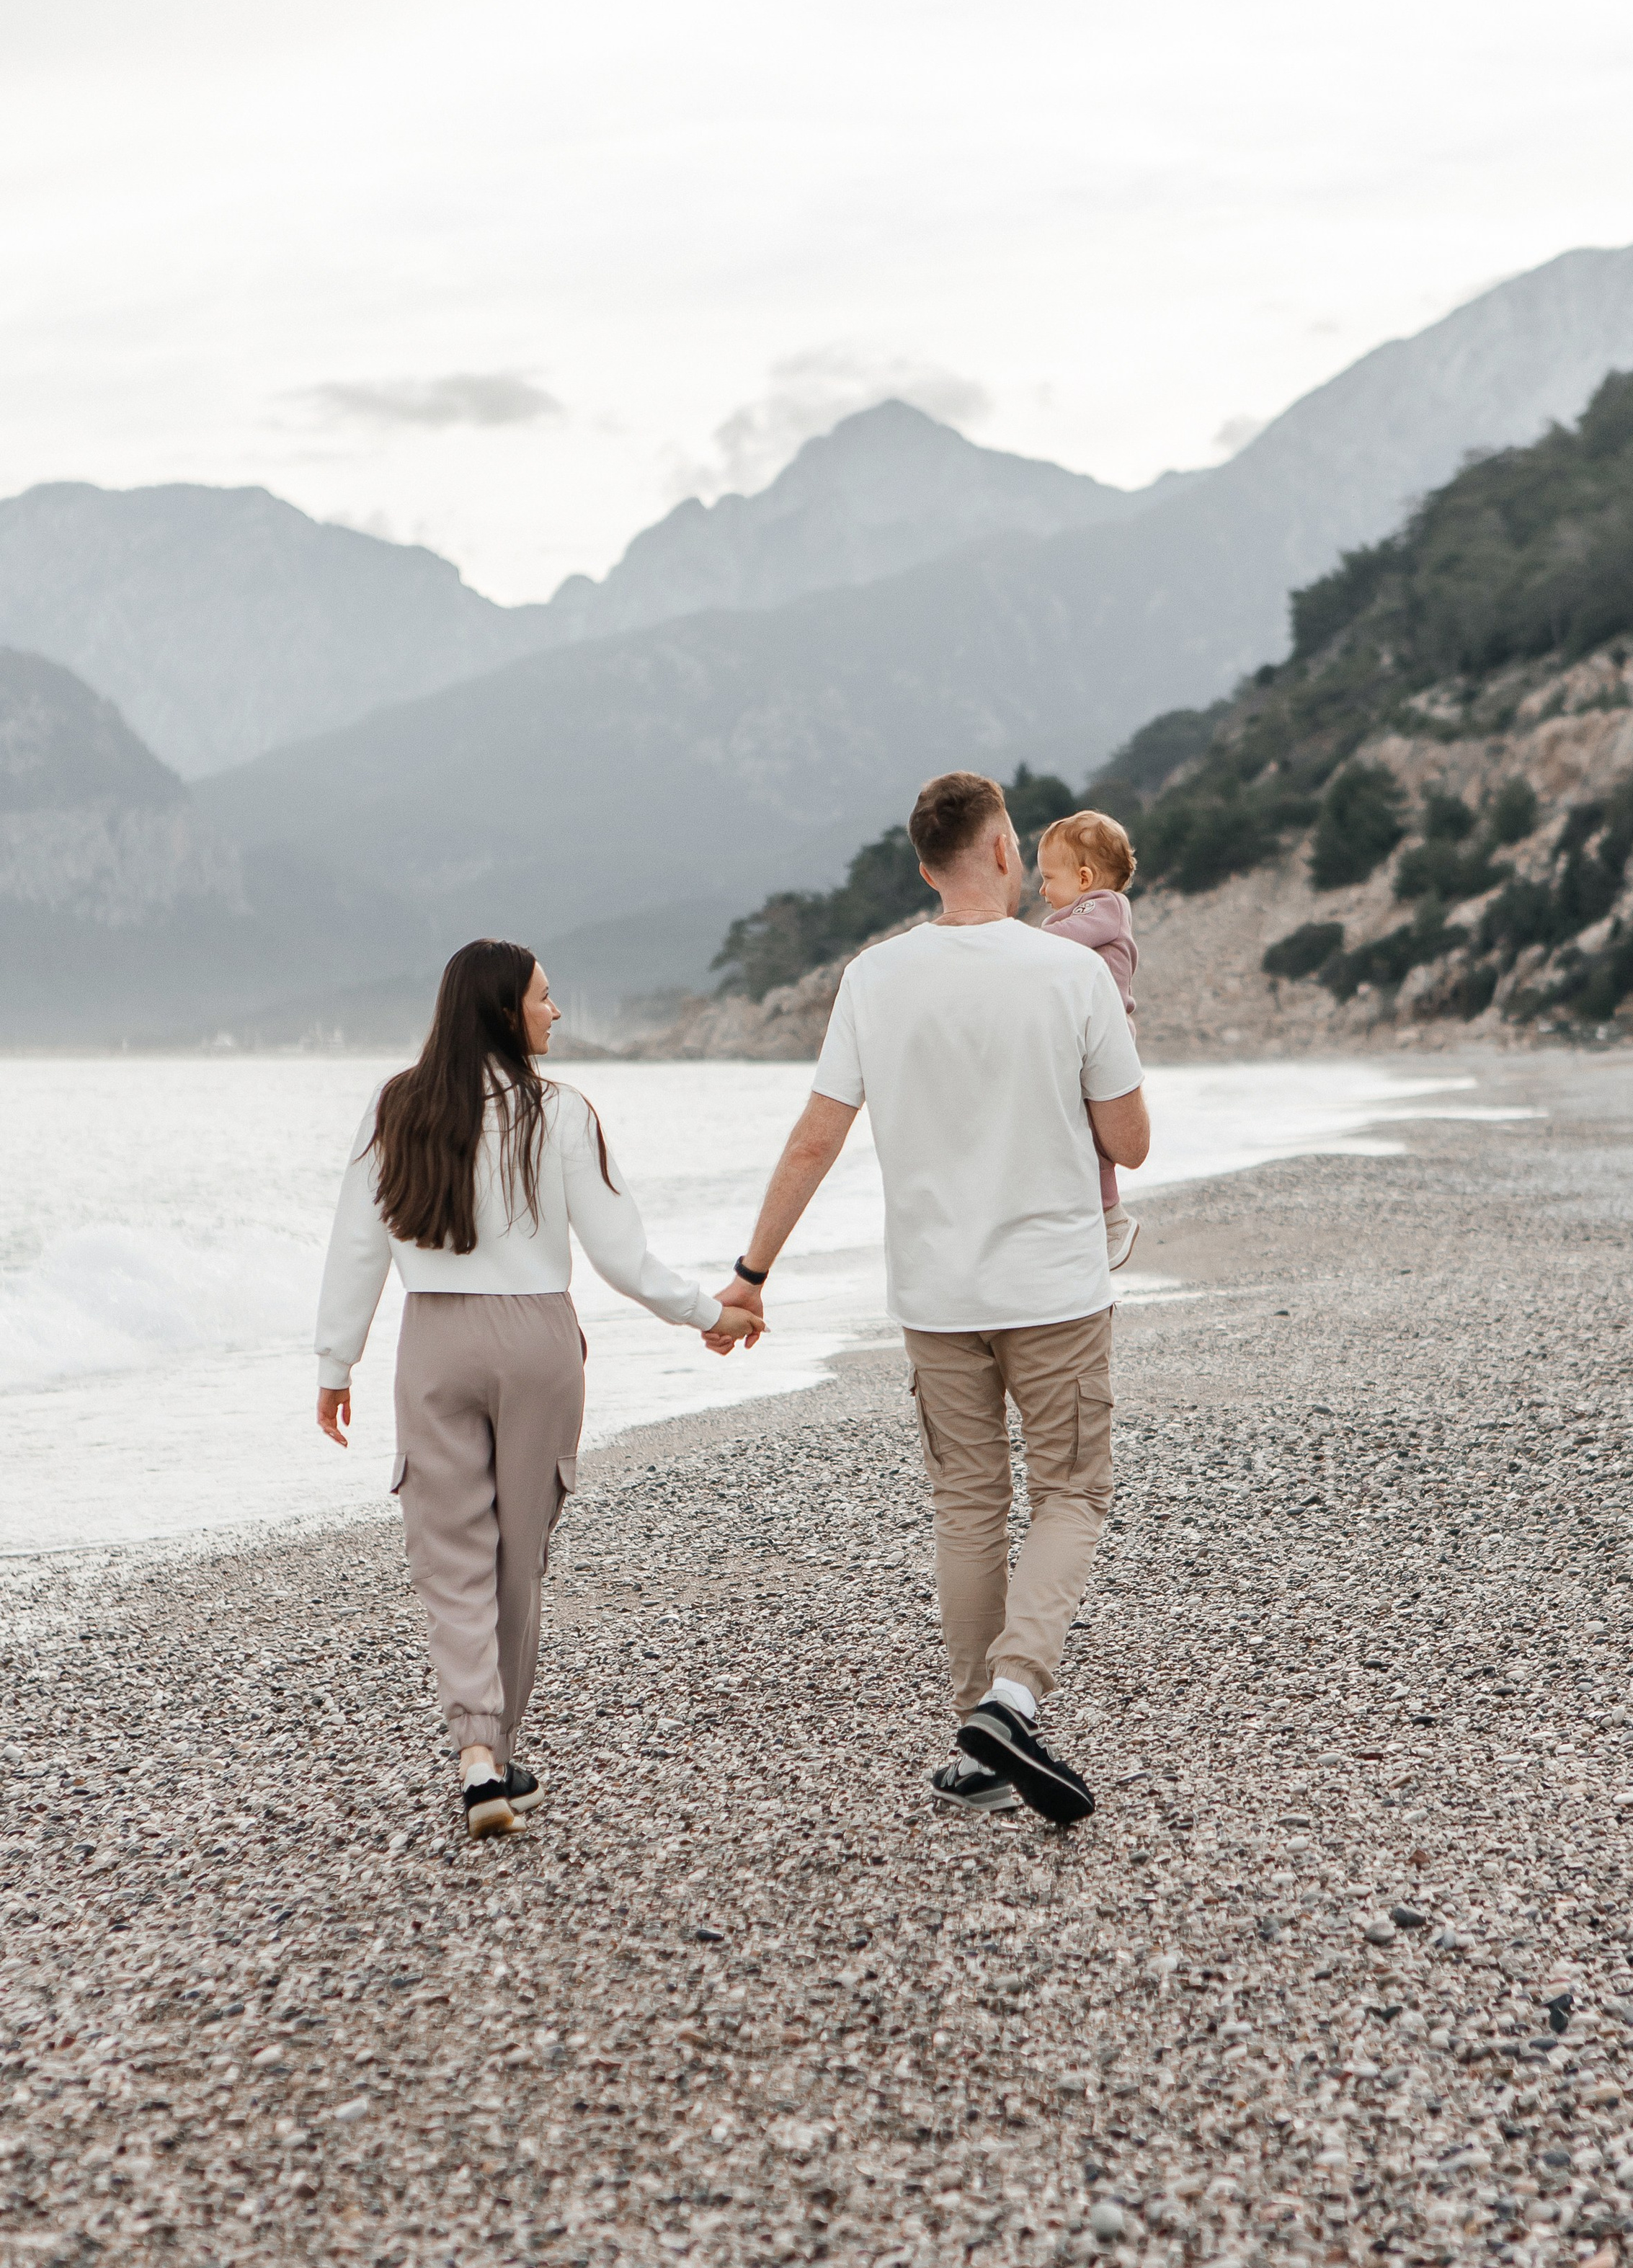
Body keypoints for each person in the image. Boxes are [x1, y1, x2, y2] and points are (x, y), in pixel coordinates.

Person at [711, 771, 1149, 1826]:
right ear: (1005, 851)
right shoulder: (1070, 973)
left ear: (922, 866)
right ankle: (1012, 1694)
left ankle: (981, 1742)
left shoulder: (874, 977)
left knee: (966, 1505)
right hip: (1053, 1286)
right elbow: (1130, 1141)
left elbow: (817, 1137)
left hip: (937, 1296)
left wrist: (753, 1275)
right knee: (1073, 1492)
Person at [314, 938, 758, 1839]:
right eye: (545, 998)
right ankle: (496, 1755)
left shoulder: (394, 1105)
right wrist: (709, 1311)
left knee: (450, 1553)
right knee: (520, 1553)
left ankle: (478, 1753)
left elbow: (357, 1243)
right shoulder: (562, 1113)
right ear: (503, 1009)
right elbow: (621, 1257)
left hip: (434, 1340)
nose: (557, 1013)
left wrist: (336, 1362)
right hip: (538, 1342)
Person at [1036, 809, 1142, 1270]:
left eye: (1047, 878)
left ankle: (1111, 1216)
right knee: (1077, 1127)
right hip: (1088, 1036)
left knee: (1097, 1135)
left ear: (1083, 878)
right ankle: (1087, 1214)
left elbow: (1064, 941)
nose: (1041, 891)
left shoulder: (1105, 908)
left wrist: (1021, 939)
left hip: (1109, 1037)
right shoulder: (1087, 909)